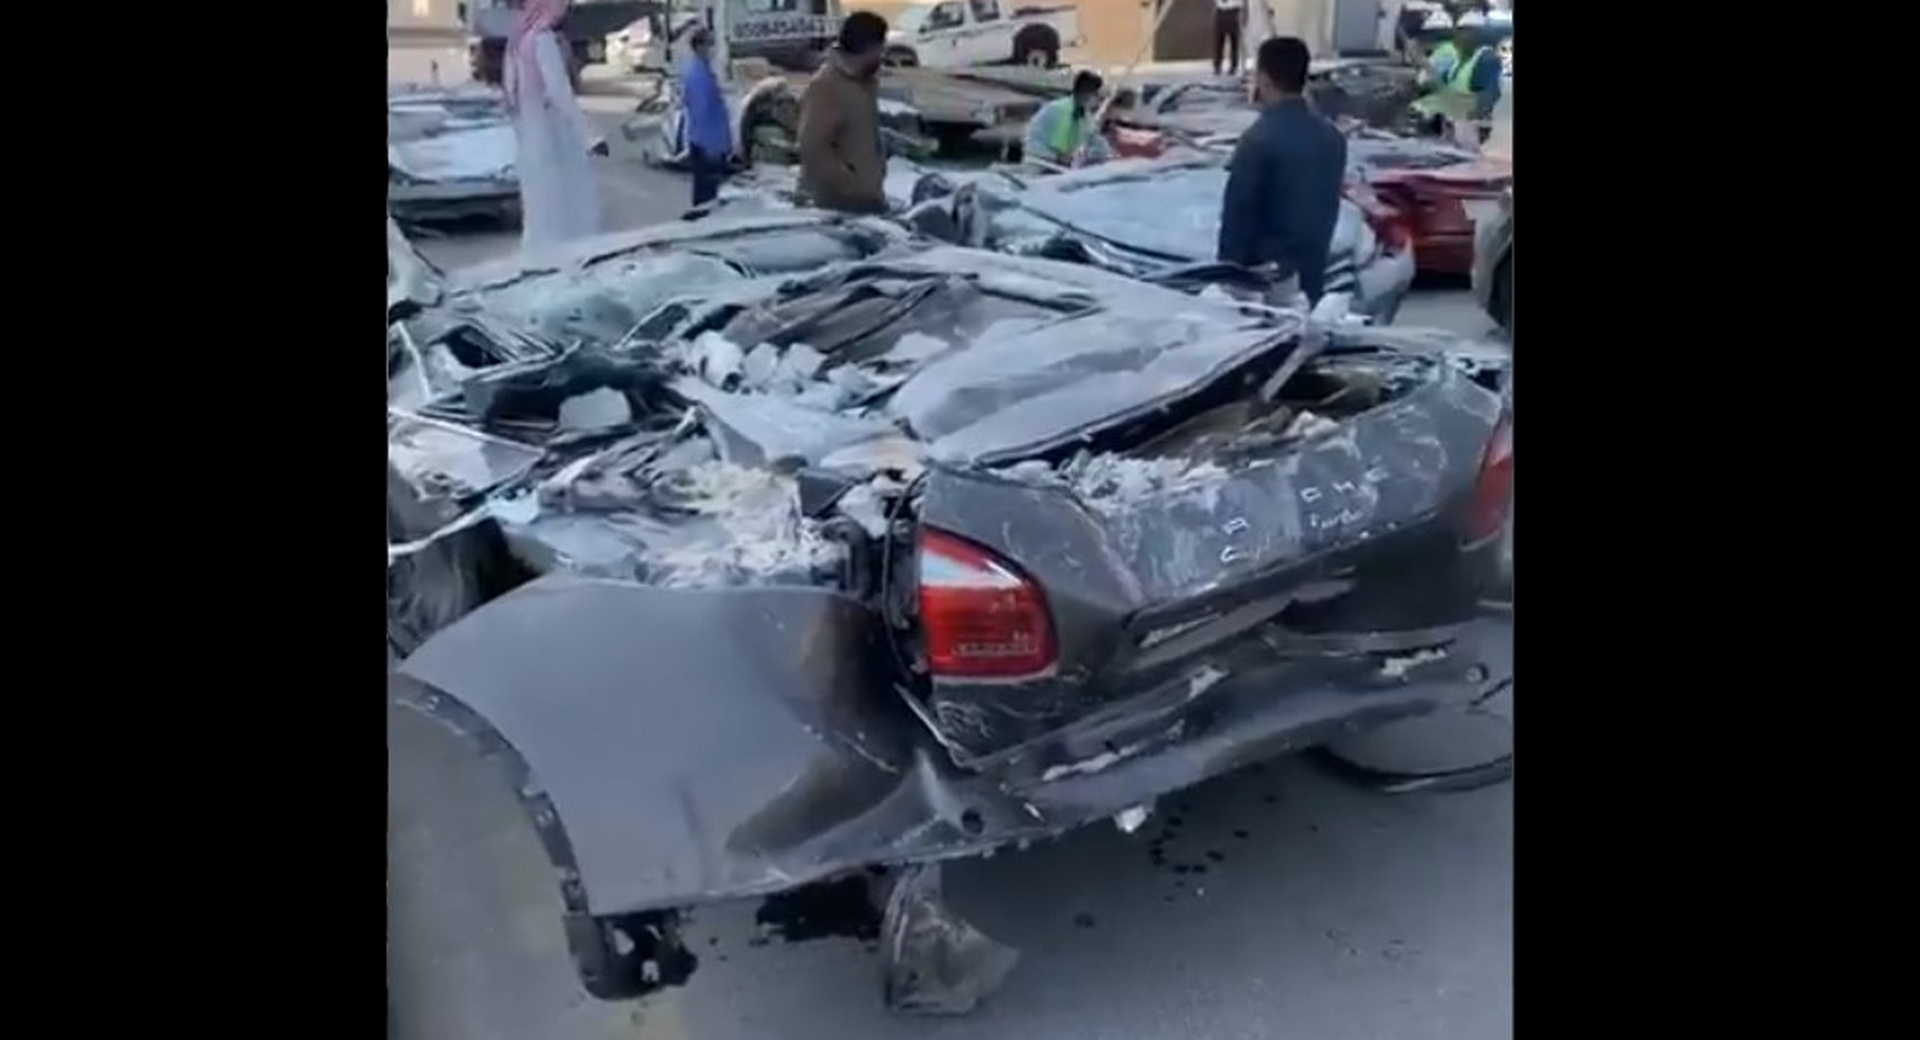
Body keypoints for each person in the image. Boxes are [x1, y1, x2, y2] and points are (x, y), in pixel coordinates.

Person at [1217, 36, 1347, 305]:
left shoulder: (1259, 140)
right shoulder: (1332, 138)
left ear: (1264, 79)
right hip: (1312, 280)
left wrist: (1225, 283)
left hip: (1263, 290)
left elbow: (1238, 222)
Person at [503, 0, 607, 252]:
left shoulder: (518, 41)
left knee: (538, 212)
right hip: (553, 138)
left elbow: (513, 96)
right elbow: (559, 93)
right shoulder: (543, 40)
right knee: (563, 209)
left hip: (530, 137)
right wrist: (591, 136)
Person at [797, 11, 890, 214]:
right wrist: (851, 184)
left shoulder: (863, 83)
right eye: (881, 48)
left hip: (867, 200)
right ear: (869, 48)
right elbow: (812, 147)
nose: (882, 55)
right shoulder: (827, 86)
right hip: (838, 207)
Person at [1411, 25, 1502, 139]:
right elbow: (1445, 86)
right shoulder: (1460, 60)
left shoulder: (1486, 59)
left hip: (1468, 124)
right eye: (1458, 33)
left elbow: (1490, 94)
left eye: (1465, 33)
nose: (1458, 38)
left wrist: (1469, 116)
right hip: (1452, 121)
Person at [679, 27, 732, 216]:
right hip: (707, 144)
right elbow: (701, 112)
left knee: (707, 194)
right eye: (710, 43)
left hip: (708, 141)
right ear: (699, 46)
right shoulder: (697, 74)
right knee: (706, 198)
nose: (713, 48)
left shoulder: (703, 69)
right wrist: (711, 148)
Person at [1023, 70, 1113, 168]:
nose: (1099, 104)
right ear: (1088, 95)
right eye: (1099, 98)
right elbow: (1060, 152)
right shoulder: (1061, 110)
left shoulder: (1083, 115)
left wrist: (1108, 155)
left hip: (1054, 162)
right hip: (1039, 163)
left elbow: (1096, 140)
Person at [1212, 0, 1245, 77]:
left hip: (1233, 10)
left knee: (1234, 40)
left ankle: (1233, 66)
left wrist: (1243, 13)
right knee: (1218, 39)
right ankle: (1217, 65)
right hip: (1220, 11)